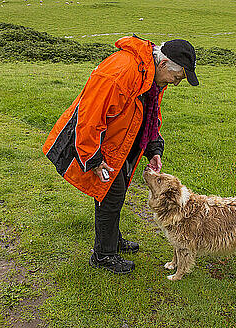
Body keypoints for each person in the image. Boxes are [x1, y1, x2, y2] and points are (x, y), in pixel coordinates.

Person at [42, 35, 199, 274]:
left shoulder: (152, 77)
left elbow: (148, 116)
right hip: (101, 144)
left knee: (118, 192)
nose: (175, 83)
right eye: (177, 77)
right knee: (110, 196)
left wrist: (153, 148)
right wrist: (93, 158)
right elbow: (90, 116)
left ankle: (112, 240)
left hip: (121, 144)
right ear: (165, 64)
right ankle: (104, 255)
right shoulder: (121, 71)